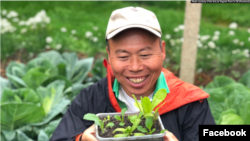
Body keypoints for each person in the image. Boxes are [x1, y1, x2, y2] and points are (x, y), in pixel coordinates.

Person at [50, 7, 215, 141]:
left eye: (145, 55)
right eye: (123, 57)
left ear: (162, 50)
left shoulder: (191, 102)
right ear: (109, 56)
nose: (135, 67)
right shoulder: (90, 99)